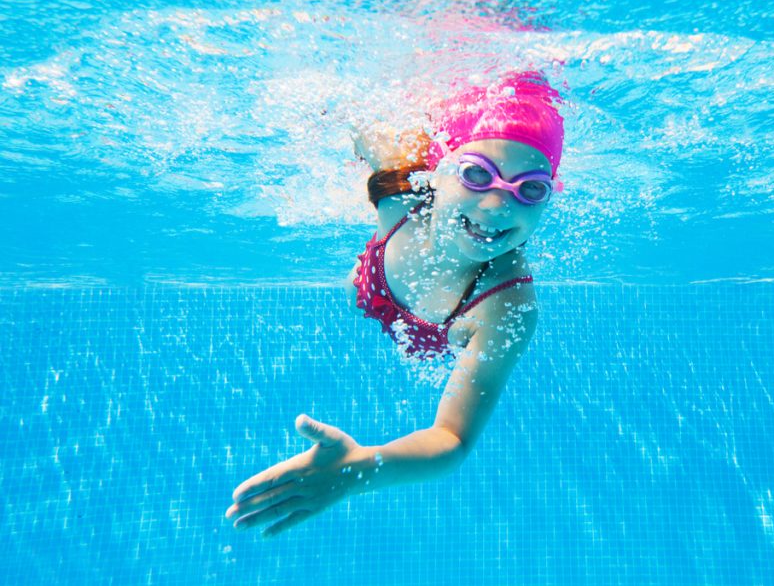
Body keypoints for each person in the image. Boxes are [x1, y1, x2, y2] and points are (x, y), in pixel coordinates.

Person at [225, 71, 565, 537]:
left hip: (436, 331)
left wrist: (358, 470)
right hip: (372, 287)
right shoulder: (399, 196)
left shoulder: (504, 307)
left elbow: (452, 438)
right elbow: (343, 103)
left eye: (530, 189)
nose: (496, 208)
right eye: (476, 175)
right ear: (439, 170)